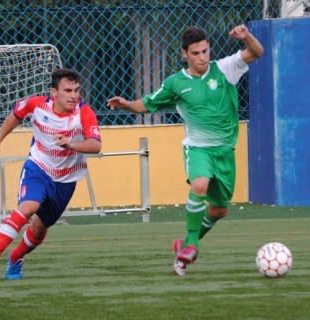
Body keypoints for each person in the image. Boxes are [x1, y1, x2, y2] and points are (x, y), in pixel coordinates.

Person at [107, 24, 263, 276]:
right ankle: (192, 244)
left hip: (224, 151)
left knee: (219, 210)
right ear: (184, 54)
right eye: (196, 53)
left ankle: (185, 243)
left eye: (205, 51)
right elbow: (146, 104)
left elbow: (256, 52)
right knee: (199, 184)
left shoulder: (224, 69)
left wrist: (247, 38)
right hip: (198, 148)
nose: (202, 57)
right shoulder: (176, 83)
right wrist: (125, 104)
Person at [0, 68, 102, 279]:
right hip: (39, 167)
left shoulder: (84, 112)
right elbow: (15, 115)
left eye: (77, 90)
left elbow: (95, 145)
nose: (74, 95)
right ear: (53, 92)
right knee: (28, 207)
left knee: (38, 229)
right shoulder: (37, 104)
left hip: (66, 179)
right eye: (68, 90)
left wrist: (71, 144)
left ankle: (16, 257)